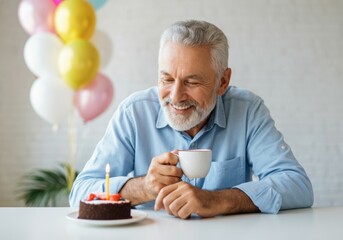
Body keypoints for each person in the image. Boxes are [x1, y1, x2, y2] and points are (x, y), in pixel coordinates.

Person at [69, 20, 314, 219]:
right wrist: (144, 187)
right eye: (166, 79)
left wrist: (218, 200)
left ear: (223, 82)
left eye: (192, 82)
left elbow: (298, 186)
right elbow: (80, 191)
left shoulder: (247, 110)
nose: (175, 96)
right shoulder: (134, 113)